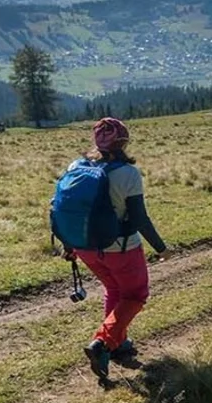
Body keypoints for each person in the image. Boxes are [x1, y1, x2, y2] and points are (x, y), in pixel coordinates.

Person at [61, 118, 170, 381]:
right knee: (135, 295)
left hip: (85, 246)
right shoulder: (128, 174)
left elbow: (64, 207)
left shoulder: (76, 166)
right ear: (124, 142)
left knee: (115, 290)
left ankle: (118, 344)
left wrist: (69, 245)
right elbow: (139, 218)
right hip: (121, 247)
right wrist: (161, 248)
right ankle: (103, 343)